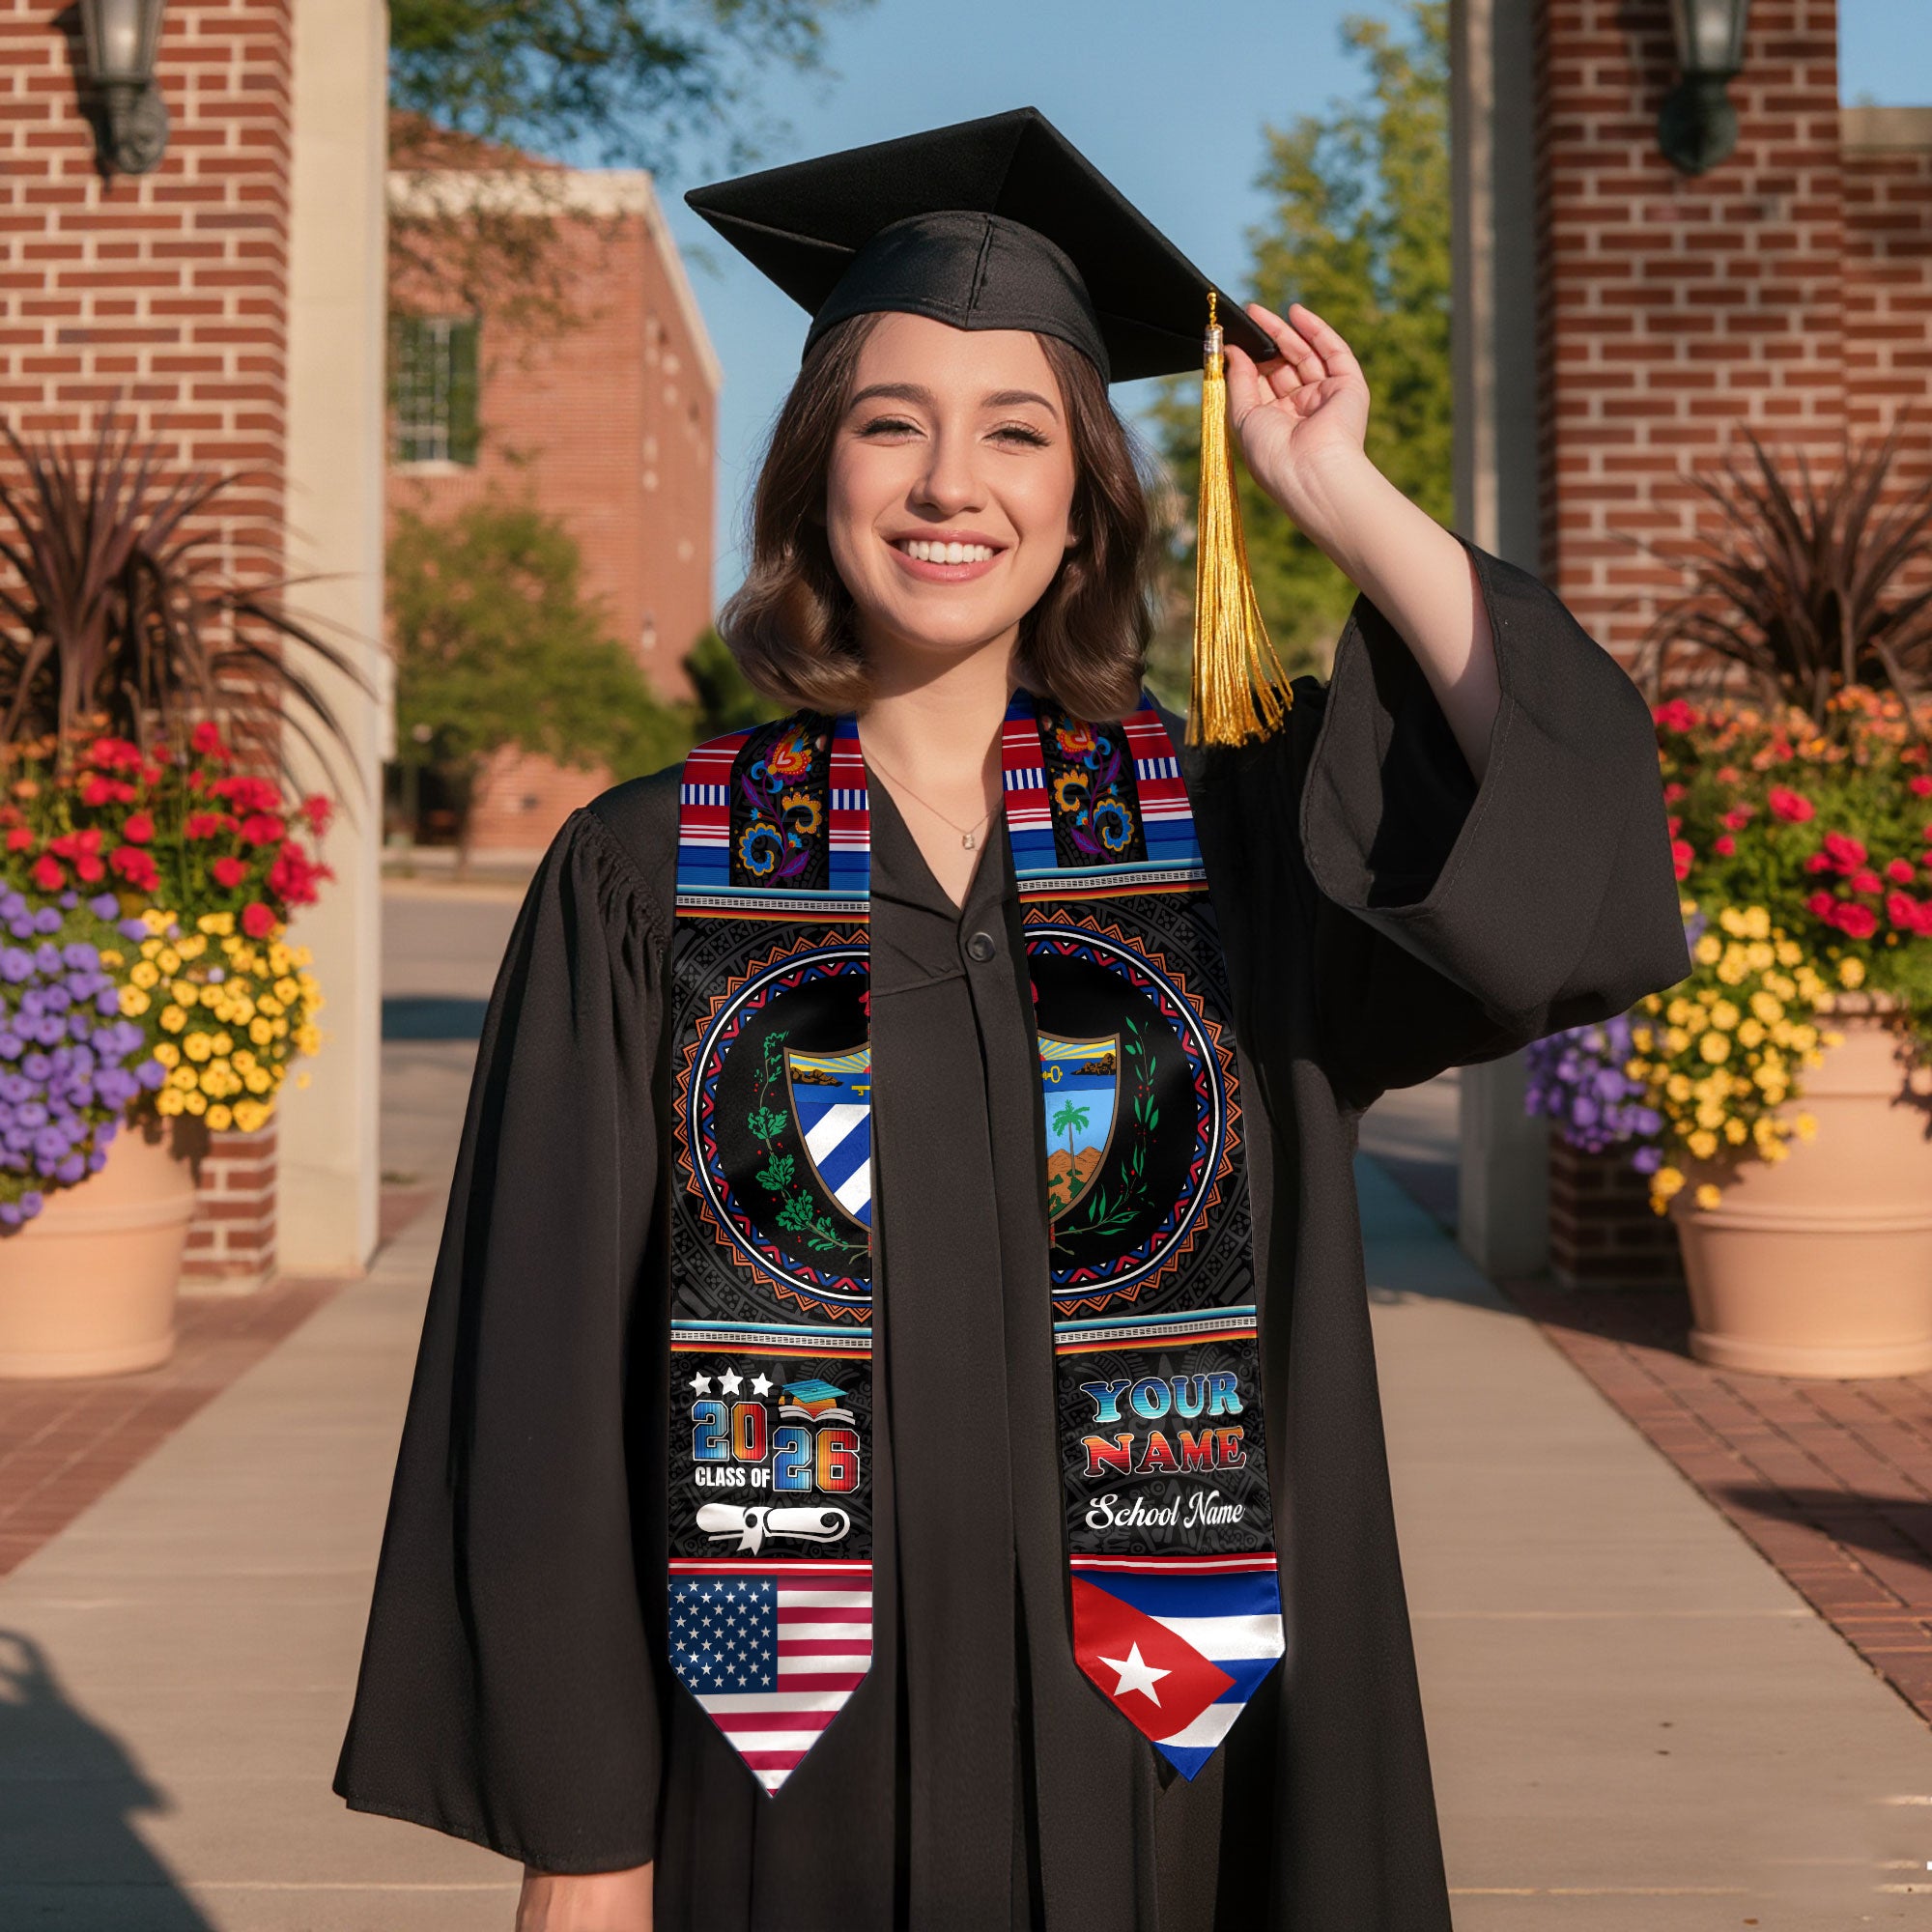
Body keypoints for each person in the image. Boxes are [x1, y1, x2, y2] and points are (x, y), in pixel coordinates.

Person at [333, 109, 1690, 1932]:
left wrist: (1337, 491)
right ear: (818, 472)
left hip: (1177, 1764)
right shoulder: (648, 879)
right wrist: (585, 1842)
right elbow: (545, 1382)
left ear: (1082, 505)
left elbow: (1558, 832)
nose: (947, 483)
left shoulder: (1233, 857)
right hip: (778, 1780)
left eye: (1016, 432)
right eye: (892, 424)